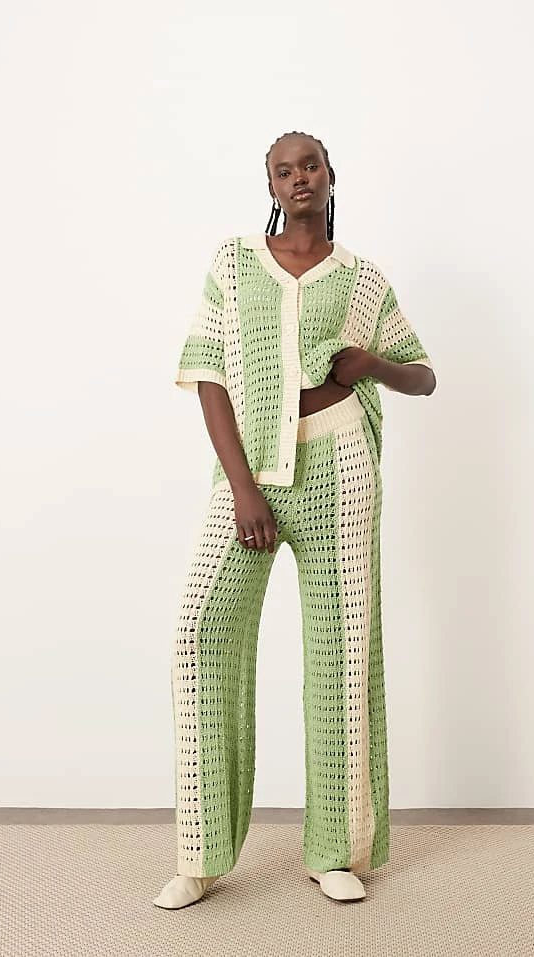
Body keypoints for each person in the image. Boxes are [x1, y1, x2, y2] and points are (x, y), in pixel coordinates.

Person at [153, 131, 436, 910]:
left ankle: (335, 851)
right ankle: (200, 855)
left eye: (310, 165)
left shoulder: (362, 278)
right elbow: (210, 375)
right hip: (250, 473)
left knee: (342, 655)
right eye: (284, 169)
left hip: (340, 465)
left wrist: (369, 363)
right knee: (201, 631)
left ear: (330, 176)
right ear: (271, 185)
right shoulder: (234, 262)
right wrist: (243, 488)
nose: (298, 177)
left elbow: (424, 376)